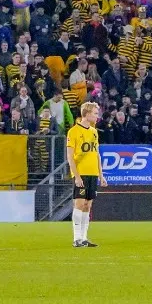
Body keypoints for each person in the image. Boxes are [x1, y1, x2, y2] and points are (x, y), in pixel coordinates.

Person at [65, 101, 103, 248]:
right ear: (86, 114)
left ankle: (84, 238)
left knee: (88, 205)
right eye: (95, 113)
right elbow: (70, 156)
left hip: (93, 173)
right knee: (79, 203)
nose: (97, 116)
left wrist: (101, 174)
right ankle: (76, 238)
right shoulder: (73, 131)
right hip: (81, 173)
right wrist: (77, 176)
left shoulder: (94, 132)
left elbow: (96, 154)